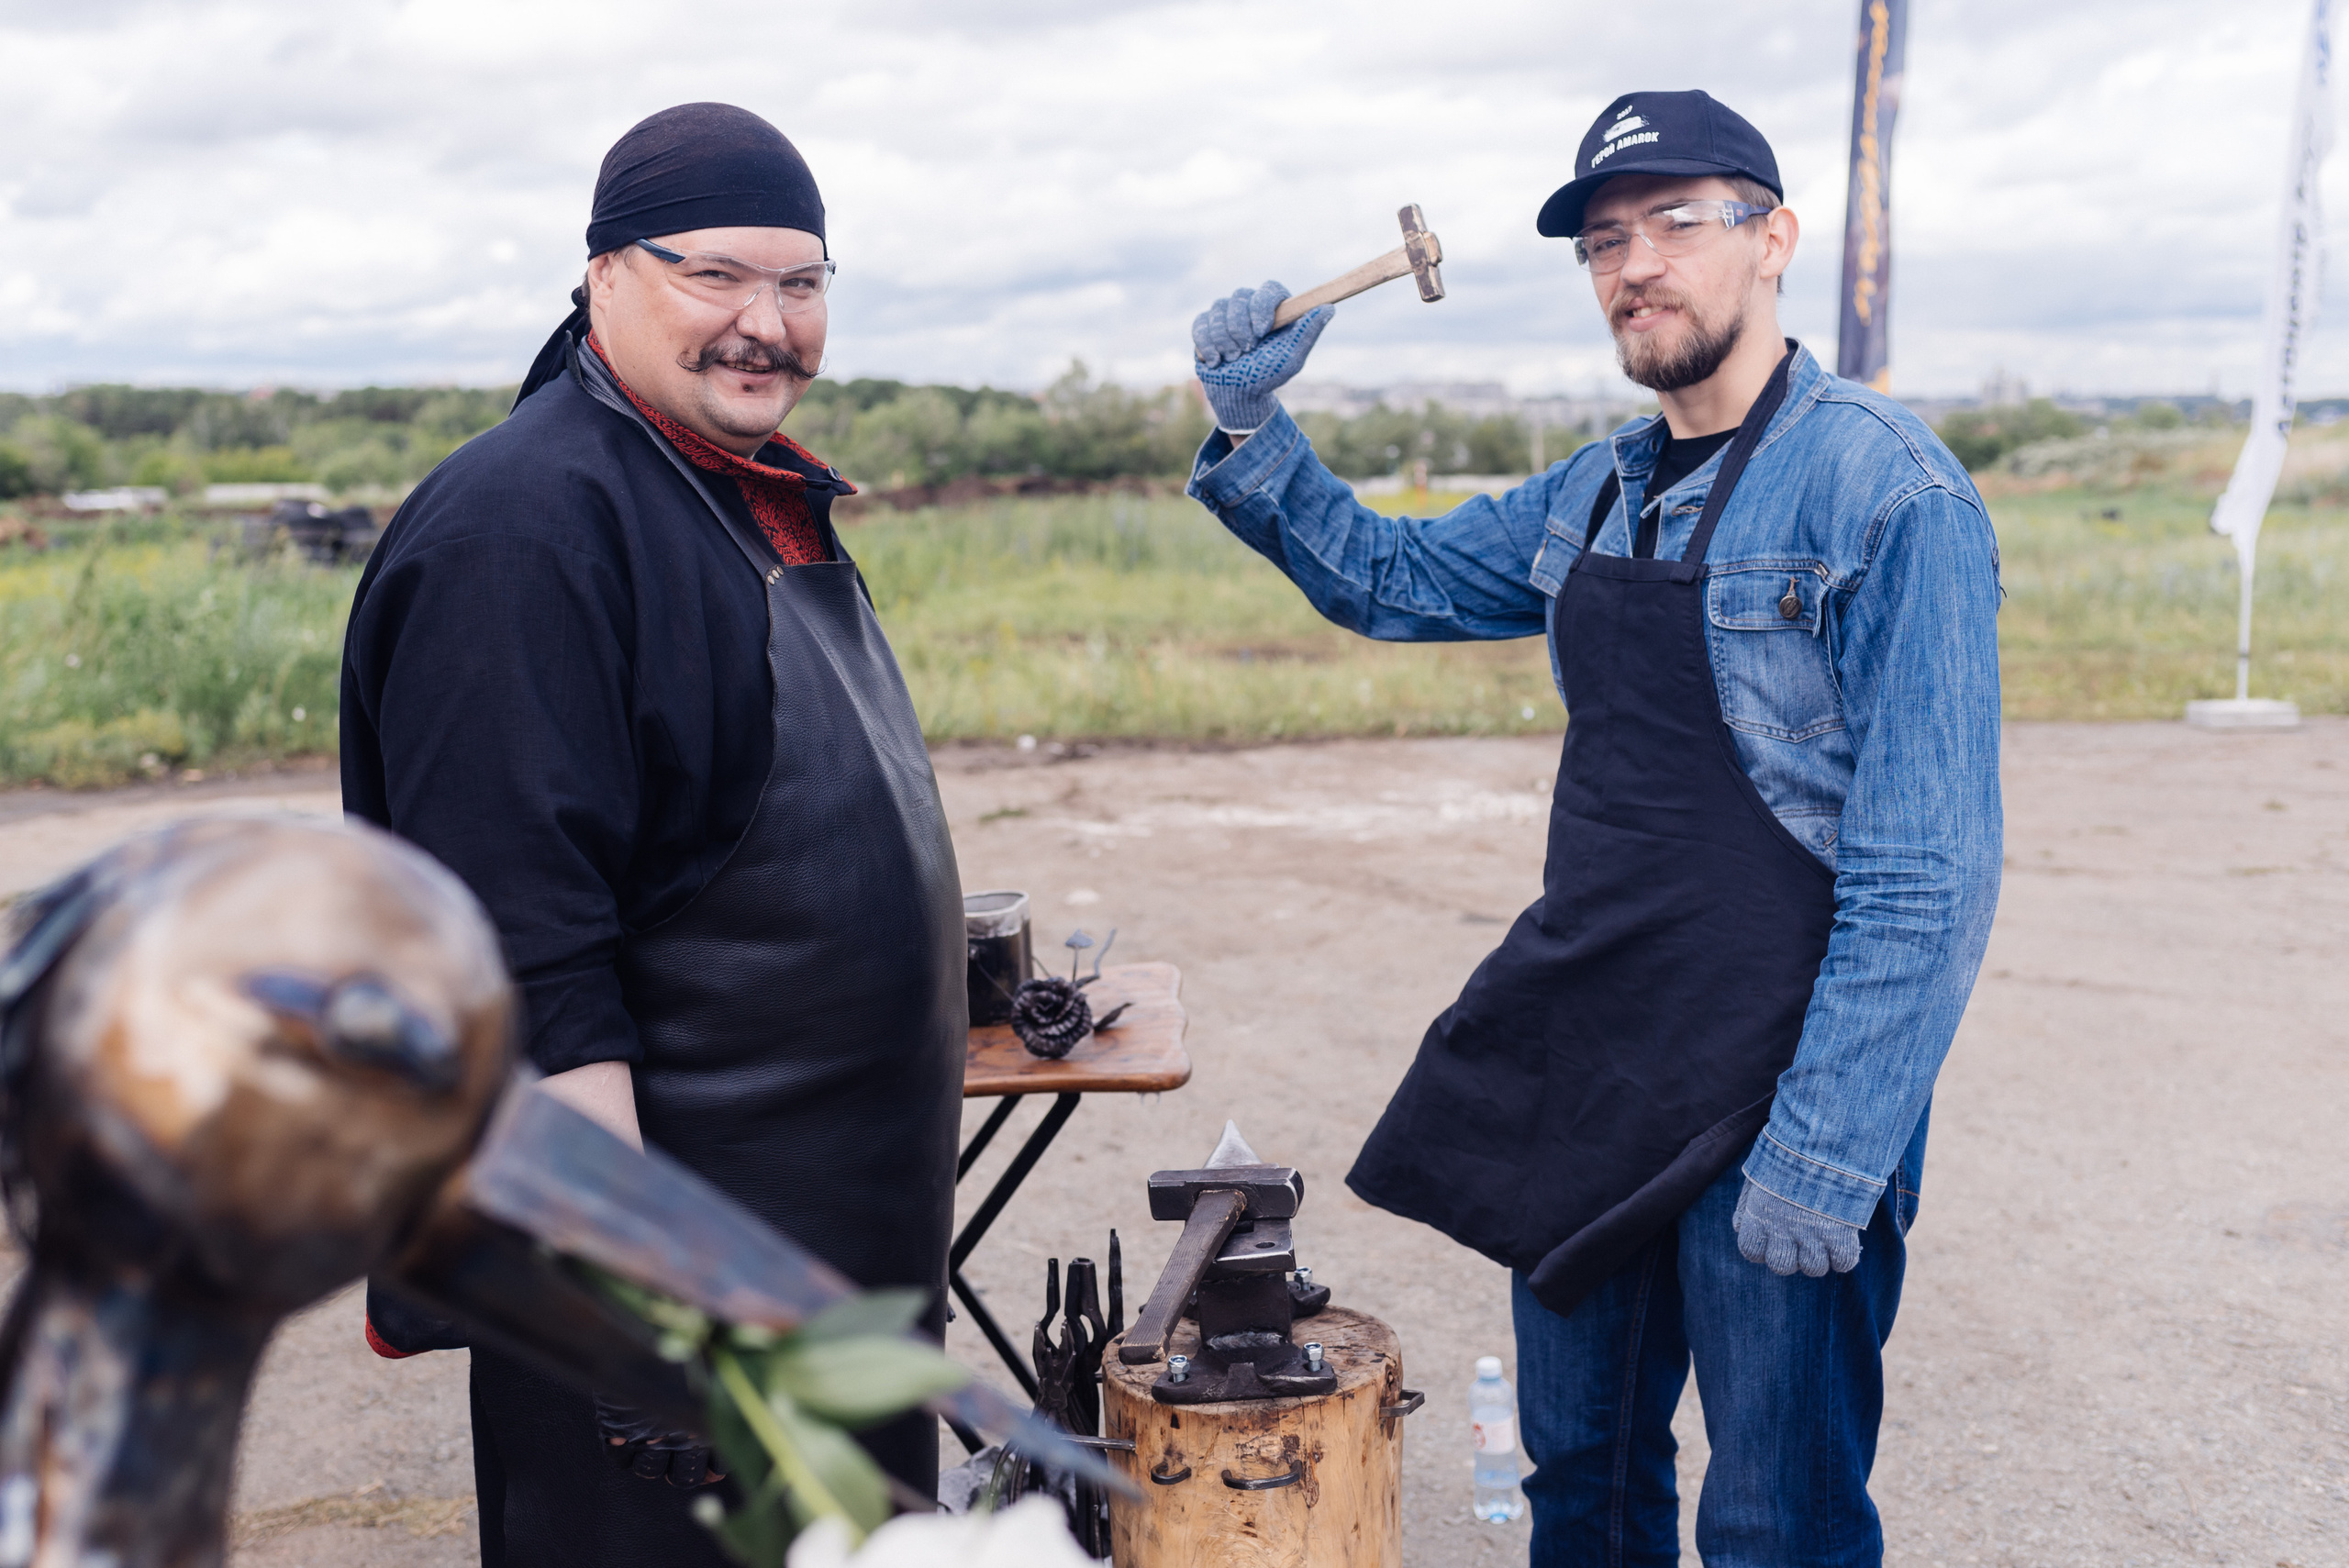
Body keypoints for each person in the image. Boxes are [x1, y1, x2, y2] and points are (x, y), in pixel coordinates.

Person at [1186, 90, 2001, 1565]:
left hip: (1779, 1099)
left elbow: (1928, 875)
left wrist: (1829, 1150)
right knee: (1584, 1489)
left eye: (1679, 223)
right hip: (1600, 1066)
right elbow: (1391, 575)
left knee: (1777, 1522)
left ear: (1773, 241)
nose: (1638, 264)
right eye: (1607, 240)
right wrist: (1252, 424)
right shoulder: (1600, 489)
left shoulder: (1888, 492)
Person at [340, 104, 966, 1567]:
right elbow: (521, 960)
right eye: (719, 277)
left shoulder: (735, 495)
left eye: (803, 283)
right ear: (605, 273)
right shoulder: (527, 534)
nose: (769, 323)